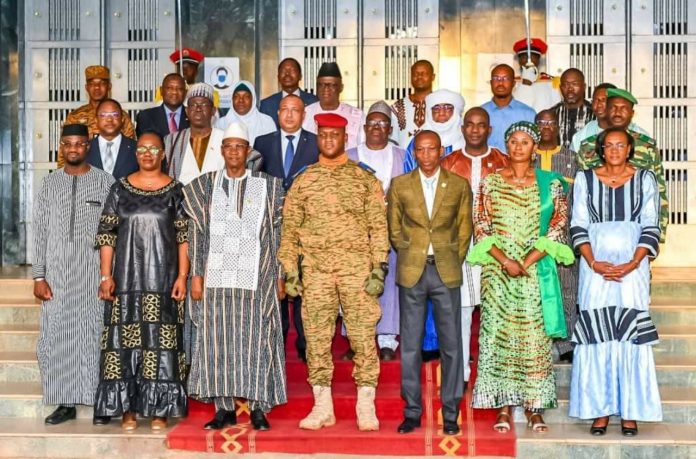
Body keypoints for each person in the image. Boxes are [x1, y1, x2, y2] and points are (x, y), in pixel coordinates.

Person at [278, 113, 389, 432]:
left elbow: (378, 227)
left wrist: (379, 267)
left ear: (345, 138)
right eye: (323, 134)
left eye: (334, 135)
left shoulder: (364, 179)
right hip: (316, 272)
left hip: (357, 269)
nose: (328, 140)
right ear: (318, 138)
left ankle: (365, 405)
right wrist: (290, 270)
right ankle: (322, 406)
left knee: (363, 337)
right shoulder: (304, 180)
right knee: (315, 338)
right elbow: (290, 230)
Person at [467, 121, 574, 434]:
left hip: (534, 272)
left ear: (534, 148)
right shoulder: (490, 183)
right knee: (499, 337)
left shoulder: (551, 184)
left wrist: (525, 261)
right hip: (498, 273)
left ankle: (534, 408)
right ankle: (503, 406)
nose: (518, 147)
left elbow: (557, 226)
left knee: (533, 340)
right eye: (513, 141)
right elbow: (481, 225)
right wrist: (505, 261)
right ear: (506, 145)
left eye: (525, 142)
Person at [183, 122, 287, 431]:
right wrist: (196, 275)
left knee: (257, 341)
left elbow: (278, 235)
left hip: (257, 278)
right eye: (228, 147)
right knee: (219, 342)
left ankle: (258, 408)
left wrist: (280, 275)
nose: (233, 152)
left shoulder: (269, 186)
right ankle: (224, 408)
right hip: (215, 280)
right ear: (221, 150)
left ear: (248, 151)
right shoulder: (205, 186)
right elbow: (197, 233)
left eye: (239, 147)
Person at [569, 127, 663, 436]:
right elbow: (578, 224)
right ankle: (600, 411)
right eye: (608, 145)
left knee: (629, 335)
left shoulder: (645, 178)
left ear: (629, 149)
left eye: (620, 145)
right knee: (598, 335)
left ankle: (630, 411)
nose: (614, 150)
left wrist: (633, 263)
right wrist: (593, 262)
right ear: (601, 149)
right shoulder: (584, 179)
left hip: (632, 269)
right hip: (594, 268)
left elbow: (651, 224)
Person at [94, 132, 189, 431]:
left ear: (163, 154)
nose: (148, 154)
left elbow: (184, 237)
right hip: (126, 282)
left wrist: (183, 276)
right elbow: (107, 235)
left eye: (154, 149)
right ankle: (129, 408)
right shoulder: (119, 188)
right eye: (143, 149)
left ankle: (160, 409)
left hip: (163, 282)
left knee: (161, 346)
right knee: (125, 344)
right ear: (136, 153)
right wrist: (106, 276)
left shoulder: (176, 190)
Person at [387, 130, 473, 436]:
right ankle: (412, 412)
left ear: (441, 151)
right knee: (410, 346)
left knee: (452, 345)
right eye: (421, 150)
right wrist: (412, 253)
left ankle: (450, 413)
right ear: (415, 152)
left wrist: (451, 258)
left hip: (445, 271)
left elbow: (465, 229)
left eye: (432, 149)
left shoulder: (459, 185)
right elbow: (394, 229)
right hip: (413, 271)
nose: (426, 155)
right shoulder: (400, 184)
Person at [33, 124, 116, 426]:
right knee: (57, 336)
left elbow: (112, 232)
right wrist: (38, 275)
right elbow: (40, 229)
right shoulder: (49, 183)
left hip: (92, 273)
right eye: (68, 143)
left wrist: (108, 276)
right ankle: (64, 402)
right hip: (57, 274)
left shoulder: (105, 182)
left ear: (88, 146)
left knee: (94, 334)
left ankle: (99, 402)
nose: (73, 149)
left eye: (79, 143)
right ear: (61, 146)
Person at [441, 107, 508, 383]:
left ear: (489, 130)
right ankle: (461, 373)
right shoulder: (449, 163)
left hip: (498, 246)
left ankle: (494, 373)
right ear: (462, 128)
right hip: (462, 246)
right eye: (470, 124)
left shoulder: (504, 161)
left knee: (497, 310)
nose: (475, 130)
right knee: (463, 310)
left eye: (481, 125)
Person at [254, 94, 319, 362]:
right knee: (276, 283)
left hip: (306, 228)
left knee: (304, 284)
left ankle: (305, 342)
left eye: (295, 110)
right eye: (285, 109)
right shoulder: (262, 142)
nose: (290, 115)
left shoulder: (315, 143)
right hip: (272, 226)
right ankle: (277, 339)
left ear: (304, 115)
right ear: (277, 113)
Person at [347, 101, 407, 361]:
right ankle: (357, 339)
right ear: (364, 127)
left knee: (390, 284)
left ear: (390, 129)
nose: (376, 127)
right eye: (372, 123)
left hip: (392, 231)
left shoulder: (402, 155)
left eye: (382, 123)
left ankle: (387, 340)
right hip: (356, 234)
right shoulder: (349, 156)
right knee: (355, 285)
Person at [575, 88, 668, 242]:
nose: (618, 113)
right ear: (606, 110)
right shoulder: (588, 146)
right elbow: (580, 195)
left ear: (632, 113)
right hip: (597, 235)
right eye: (613, 107)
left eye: (624, 108)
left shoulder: (647, 147)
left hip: (638, 235)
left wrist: (658, 238)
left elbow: (660, 191)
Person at [534, 109, 579, 362]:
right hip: (533, 237)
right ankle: (537, 343)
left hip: (565, 236)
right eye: (541, 122)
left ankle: (566, 344)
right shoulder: (527, 158)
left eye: (551, 122)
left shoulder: (571, 158)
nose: (546, 126)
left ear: (558, 126)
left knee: (567, 289)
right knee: (537, 289)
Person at [60, 65, 135, 167]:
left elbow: (130, 151)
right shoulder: (75, 116)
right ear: (86, 87)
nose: (97, 87)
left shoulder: (121, 116)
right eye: (92, 84)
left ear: (109, 86)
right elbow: (64, 151)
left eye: (102, 83)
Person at [165, 83, 225, 186]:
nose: (198, 108)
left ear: (213, 110)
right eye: (193, 104)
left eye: (204, 105)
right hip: (182, 195)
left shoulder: (225, 139)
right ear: (187, 111)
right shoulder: (172, 141)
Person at [302, 63, 365, 150]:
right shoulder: (305, 114)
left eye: (332, 85)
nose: (326, 89)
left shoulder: (357, 115)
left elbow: (363, 148)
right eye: (321, 84)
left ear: (341, 87)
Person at [570, 83, 649, 152]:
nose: (599, 105)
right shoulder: (582, 137)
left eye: (604, 100)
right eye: (596, 100)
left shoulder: (641, 136)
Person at [482, 64, 536, 152]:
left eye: (506, 78)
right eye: (496, 78)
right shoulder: (481, 113)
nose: (500, 83)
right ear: (491, 83)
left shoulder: (528, 114)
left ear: (513, 83)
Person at [87, 99, 138, 179]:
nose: (109, 119)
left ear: (122, 119)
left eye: (115, 114)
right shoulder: (85, 149)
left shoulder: (136, 148)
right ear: (96, 120)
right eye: (103, 115)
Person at [259, 58, 319, 127]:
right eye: (283, 71)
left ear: (300, 76)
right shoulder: (266, 105)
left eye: (292, 70)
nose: (287, 74)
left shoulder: (314, 101)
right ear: (278, 77)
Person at [392, 60, 436, 148]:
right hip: (404, 156)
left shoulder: (441, 106)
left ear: (433, 77)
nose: (419, 76)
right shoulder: (398, 107)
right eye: (415, 74)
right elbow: (392, 140)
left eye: (424, 73)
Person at [216, 80, 276, 145]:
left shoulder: (266, 122)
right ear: (232, 99)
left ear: (253, 99)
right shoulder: (221, 124)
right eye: (236, 96)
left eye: (246, 96)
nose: (241, 100)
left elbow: (272, 147)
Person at [511, 37, 562, 112]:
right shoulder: (512, 82)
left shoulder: (551, 82)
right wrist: (525, 83)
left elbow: (556, 108)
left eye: (532, 57)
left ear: (538, 60)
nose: (528, 61)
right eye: (524, 57)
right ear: (519, 60)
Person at [136, 73, 190, 139]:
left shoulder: (193, 116)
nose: (174, 92)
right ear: (161, 90)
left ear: (185, 92)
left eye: (179, 89)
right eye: (169, 88)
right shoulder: (145, 117)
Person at [550, 68, 594, 147]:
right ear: (560, 88)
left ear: (584, 87)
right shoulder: (551, 114)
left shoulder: (594, 114)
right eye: (566, 85)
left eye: (575, 84)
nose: (570, 89)